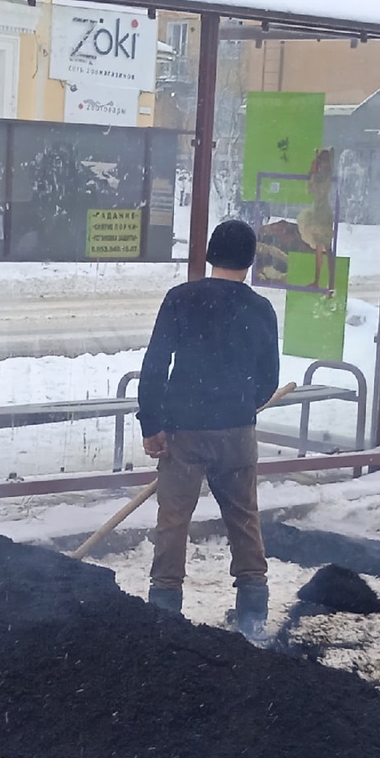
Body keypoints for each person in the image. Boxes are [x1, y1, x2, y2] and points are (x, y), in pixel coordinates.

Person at [137, 219, 280, 641]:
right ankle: (252, 612)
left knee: (173, 520)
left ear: (208, 255)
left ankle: (164, 611)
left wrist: (153, 424)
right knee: (243, 519)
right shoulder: (260, 309)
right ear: (250, 261)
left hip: (184, 431)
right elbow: (268, 377)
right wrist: (240, 404)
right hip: (237, 432)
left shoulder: (181, 299)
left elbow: (154, 367)